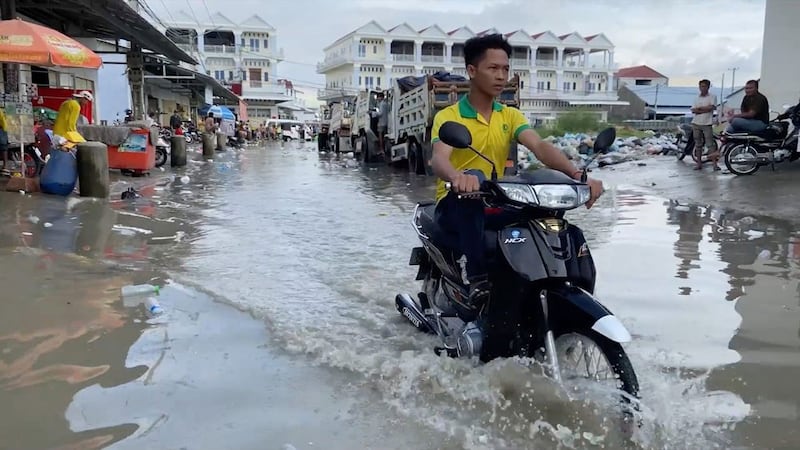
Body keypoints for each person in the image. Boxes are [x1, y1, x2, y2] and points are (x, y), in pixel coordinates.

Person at [430, 33, 604, 312]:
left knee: (548, 214)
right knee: (473, 179)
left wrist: (577, 175)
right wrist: (456, 177)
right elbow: (439, 159)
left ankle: (567, 285)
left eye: (506, 69)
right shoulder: (450, 116)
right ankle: (476, 279)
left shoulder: (509, 116)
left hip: (495, 201)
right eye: (493, 68)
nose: (502, 76)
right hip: (456, 204)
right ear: (472, 71)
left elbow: (539, 146)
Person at [690, 79, 719, 171]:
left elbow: (711, 108)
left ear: (708, 87)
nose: (702, 88)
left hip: (707, 123)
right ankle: (699, 164)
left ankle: (715, 164)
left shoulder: (712, 96)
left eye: (704, 86)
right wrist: (703, 109)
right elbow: (693, 110)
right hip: (696, 123)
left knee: (710, 145)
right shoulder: (696, 98)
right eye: (701, 86)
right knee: (698, 145)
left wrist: (700, 109)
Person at [0, 106, 8, 176]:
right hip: (3, 129)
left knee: (3, 146)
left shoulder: (0, 111)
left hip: (2, 129)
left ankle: (5, 165)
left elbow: (4, 123)